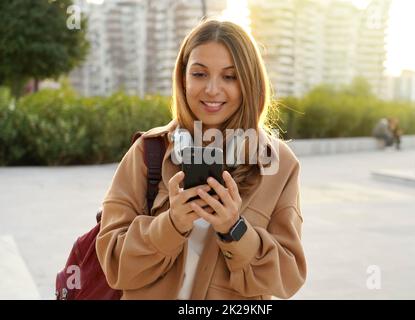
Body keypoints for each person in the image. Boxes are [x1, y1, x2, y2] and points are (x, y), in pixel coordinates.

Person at [96, 19, 306, 300]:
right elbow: (114, 264)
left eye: (230, 77)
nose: (212, 89)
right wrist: (172, 224)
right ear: (183, 78)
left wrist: (235, 229)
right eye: (199, 74)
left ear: (249, 82)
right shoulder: (149, 151)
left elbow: (288, 278)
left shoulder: (277, 164)